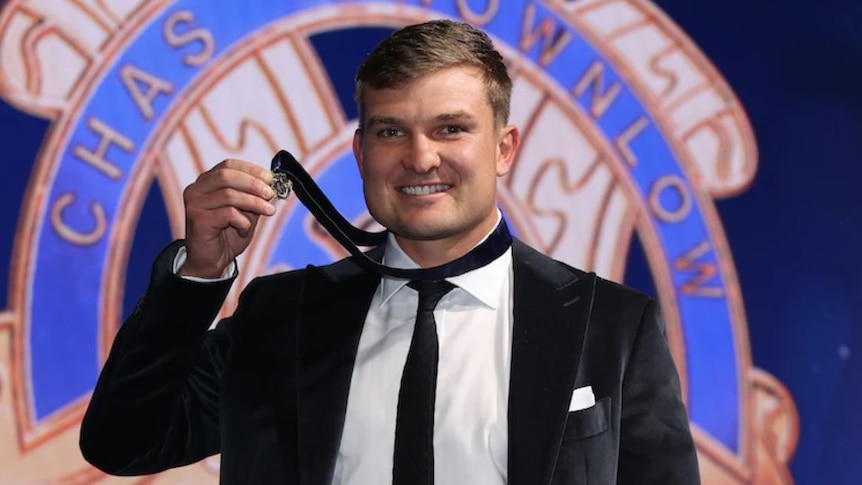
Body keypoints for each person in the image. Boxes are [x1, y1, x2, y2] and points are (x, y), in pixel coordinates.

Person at [79, 19, 700, 485]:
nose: (420, 157)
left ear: (504, 149)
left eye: (450, 128)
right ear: (360, 152)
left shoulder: (614, 325)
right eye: (391, 131)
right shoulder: (279, 318)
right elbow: (123, 442)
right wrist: (198, 277)